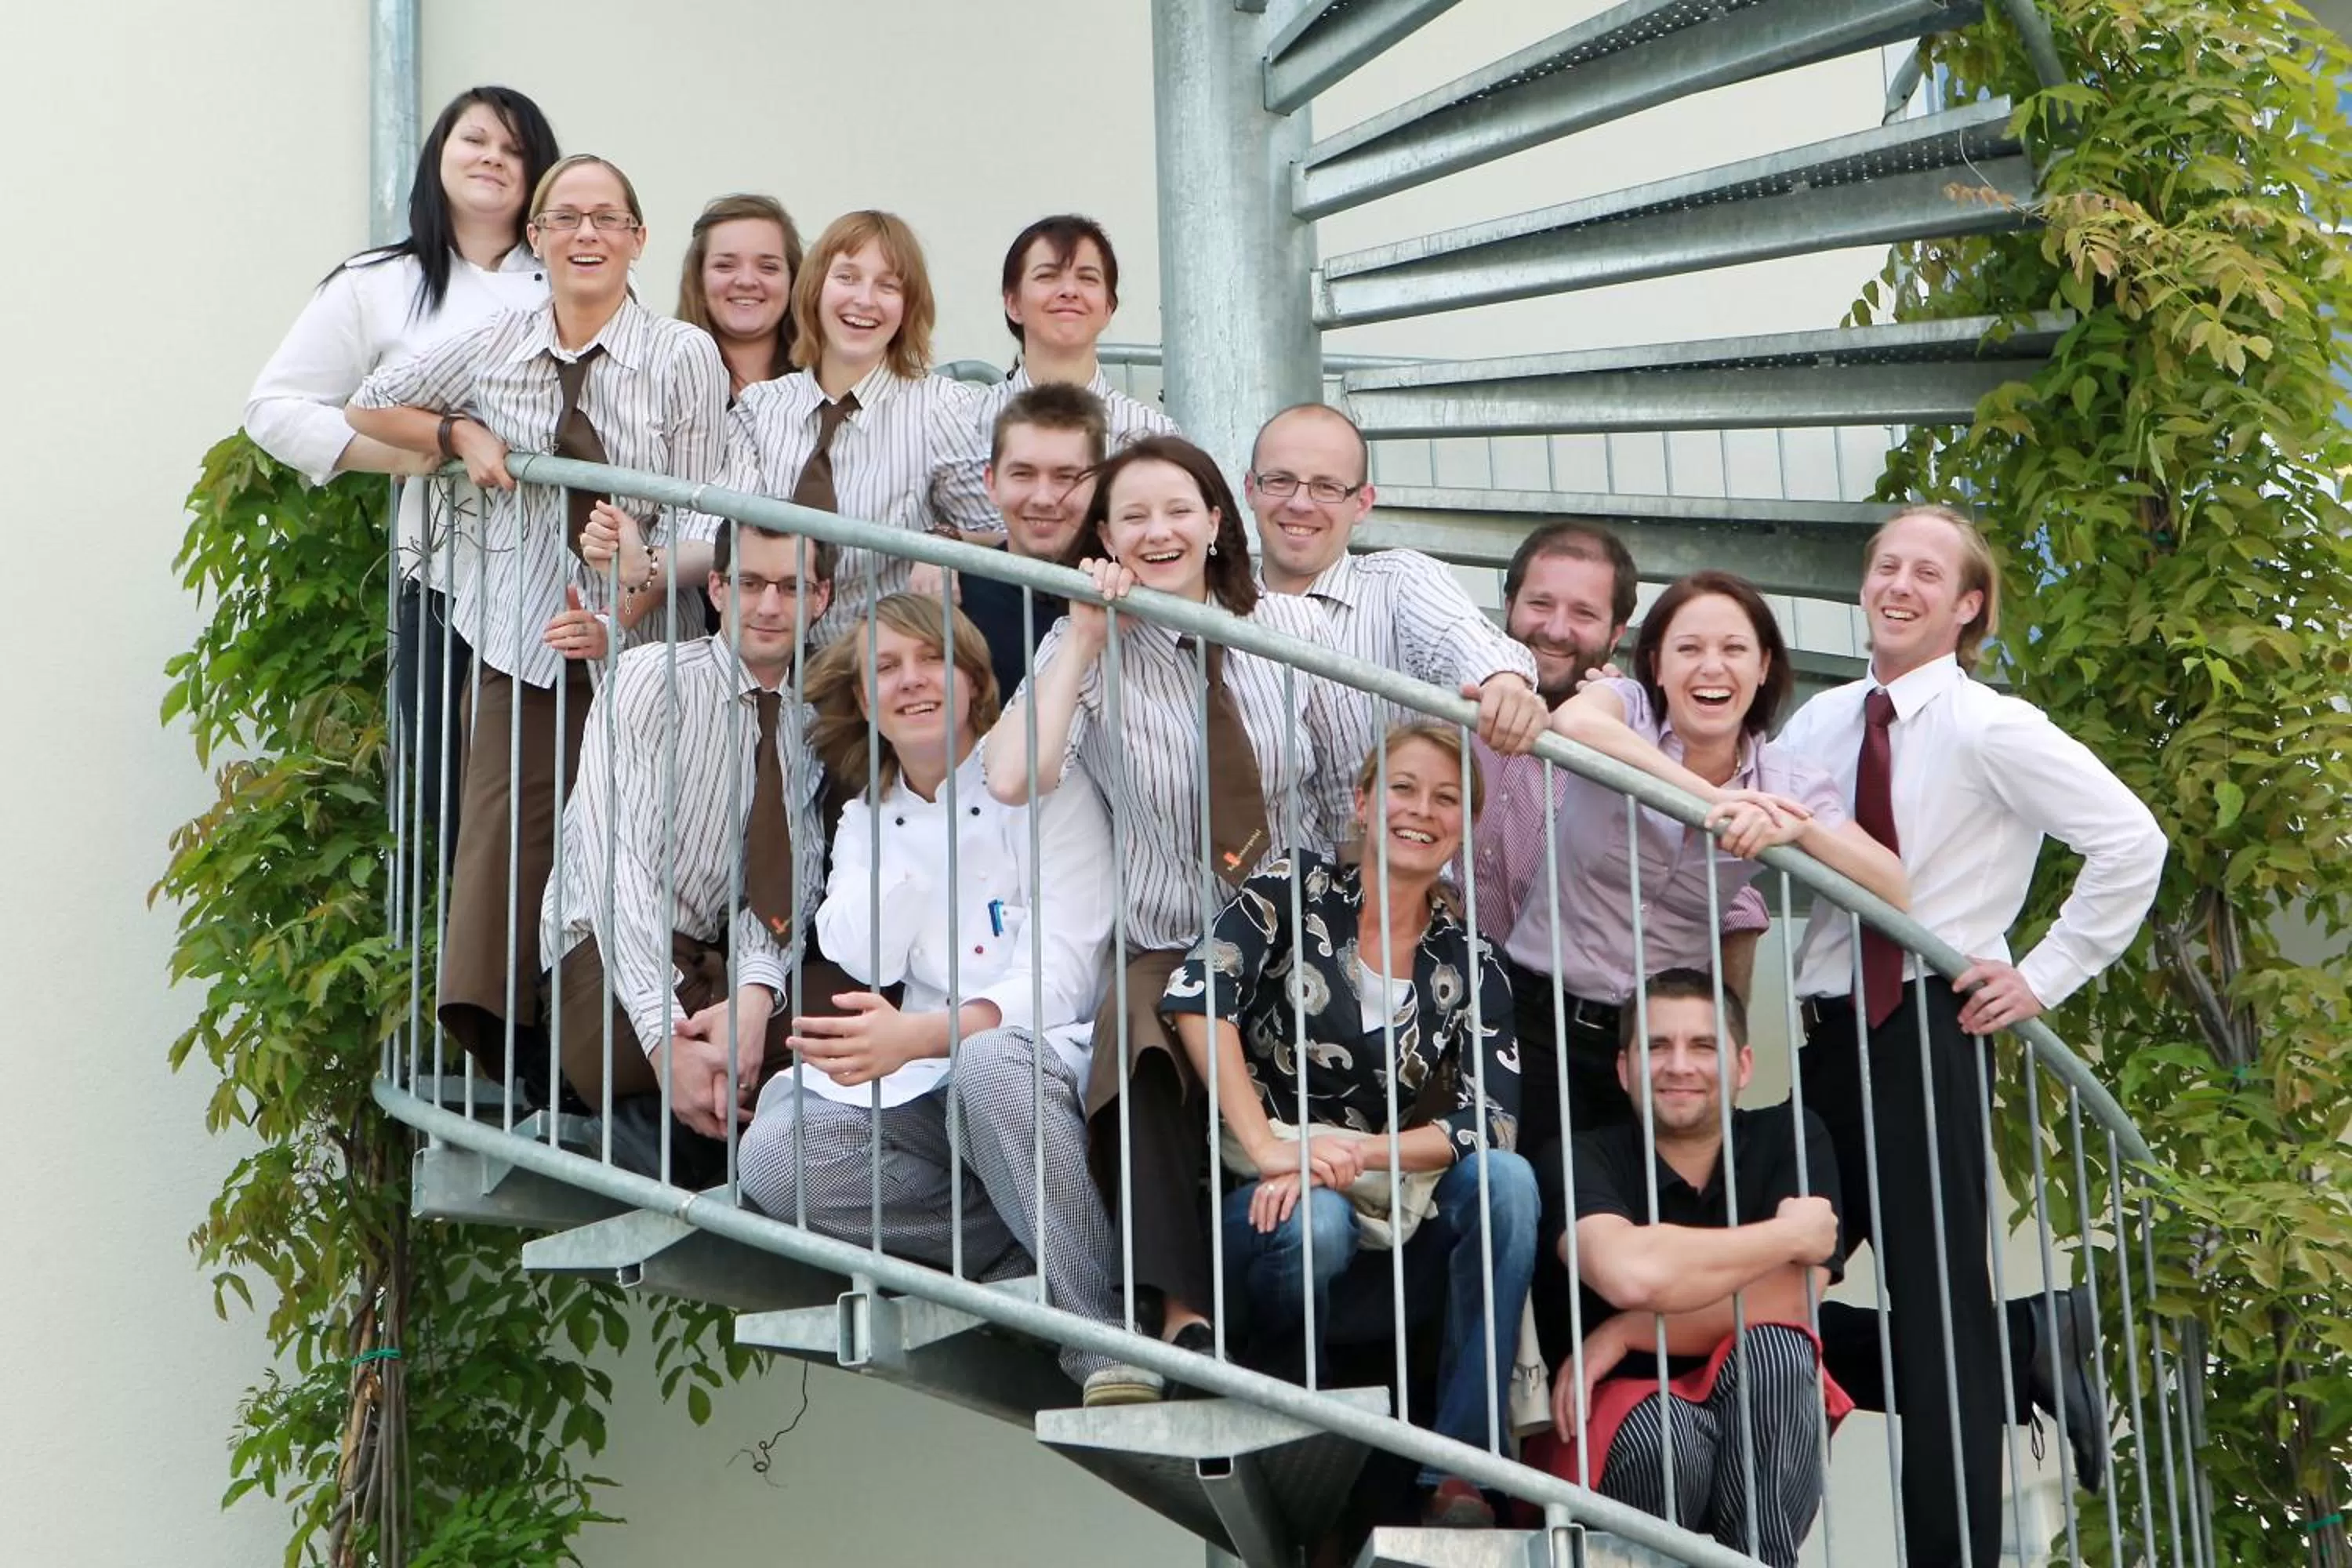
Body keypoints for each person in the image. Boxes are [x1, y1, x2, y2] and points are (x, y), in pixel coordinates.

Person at [1777, 503, 2167, 1565]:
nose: (1898, 584)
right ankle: (2025, 1342)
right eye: (1885, 565)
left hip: (1923, 1031)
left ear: (1968, 606)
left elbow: (2132, 841)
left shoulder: (1992, 726)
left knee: (1931, 1309)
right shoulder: (1817, 725)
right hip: (1827, 1036)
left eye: (1926, 573)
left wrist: (2041, 976)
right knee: (1755, 1283)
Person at [348, 153, 731, 1081]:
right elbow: (370, 405)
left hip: (643, 646)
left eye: (607, 219)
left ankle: (614, 1060)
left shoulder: (682, 354)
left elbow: (710, 505)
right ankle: (510, 1061)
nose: (586, 235)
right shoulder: (498, 340)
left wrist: (636, 569)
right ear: (536, 239)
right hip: (519, 631)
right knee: (512, 846)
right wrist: (461, 433)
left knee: (627, 851)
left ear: (639, 239)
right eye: (565, 219)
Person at [983, 434, 1355, 1369]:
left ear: (1217, 521)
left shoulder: (1293, 631)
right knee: (1137, 1036)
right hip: (1173, 941)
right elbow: (1012, 774)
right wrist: (1081, 636)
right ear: (1103, 536)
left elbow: (1353, 790)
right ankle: (1178, 1308)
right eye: (1133, 516)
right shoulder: (1093, 655)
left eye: (1179, 509)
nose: (1159, 530)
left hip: (1292, 936)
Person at [738, 593, 1153, 1403]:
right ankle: (1025, 1243)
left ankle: (1100, 1337)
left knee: (989, 1062)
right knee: (773, 1156)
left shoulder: (1048, 783)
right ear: (863, 701)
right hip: (928, 1082)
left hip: (1043, 1062)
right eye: (885, 670)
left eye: (931, 660)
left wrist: (923, 1035)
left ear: (974, 680)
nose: (912, 681)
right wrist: (911, 819)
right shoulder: (865, 816)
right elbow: (857, 946)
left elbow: (1065, 971)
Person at [1163, 721, 1534, 1528]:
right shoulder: (1292, 888)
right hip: (1262, 1216)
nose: (1421, 809)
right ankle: (1299, 1417)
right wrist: (1270, 1149)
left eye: (1446, 797)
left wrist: (1348, 1152)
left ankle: (1461, 1468)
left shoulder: (1470, 957)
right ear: (1365, 801)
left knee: (1509, 1181)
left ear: (1464, 824)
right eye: (1403, 787)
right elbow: (1198, 998)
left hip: (1380, 1216)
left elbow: (1491, 1119)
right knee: (1315, 1219)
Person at [245, 85, 559, 851]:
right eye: (475, 140)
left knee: (560, 813)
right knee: (453, 809)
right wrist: (409, 450)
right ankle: (480, 971)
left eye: (514, 149)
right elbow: (275, 406)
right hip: (444, 582)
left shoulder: (574, 280)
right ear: (438, 156)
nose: (492, 158)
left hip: (564, 585)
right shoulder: (378, 282)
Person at [538, 523, 846, 1184]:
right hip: (604, 954)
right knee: (724, 1079)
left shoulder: (809, 724)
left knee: (826, 1046)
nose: (769, 606)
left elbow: (790, 876)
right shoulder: (653, 679)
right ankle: (678, 1126)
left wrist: (757, 996)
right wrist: (662, 1039)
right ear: (716, 588)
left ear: (821, 598)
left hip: (712, 964)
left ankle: (696, 1141)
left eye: (792, 588)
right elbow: (618, 870)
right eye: (751, 583)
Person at [1526, 969, 1848, 1568]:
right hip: (1624, 1431)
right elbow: (1628, 1275)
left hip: (1760, 1418)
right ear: (1623, 1069)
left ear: (1743, 1066)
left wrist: (1628, 1330)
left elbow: (1794, 1301)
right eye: (1656, 1047)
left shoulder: (1791, 1136)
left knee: (1779, 1350)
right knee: (1672, 1436)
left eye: (1702, 1047)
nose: (1679, 1066)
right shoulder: (1578, 1156)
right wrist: (1784, 1236)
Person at [1470, 528, 1770, 1161]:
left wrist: (1718, 1055)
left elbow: (1736, 910)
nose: (1555, 629)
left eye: (1583, 614)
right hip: (1462, 1029)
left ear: (1617, 634)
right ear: (1507, 606)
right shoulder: (1461, 716)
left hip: (1586, 1042)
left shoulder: (1630, 745)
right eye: (1539, 604)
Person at [720, 209, 1001, 648]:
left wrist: (944, 544)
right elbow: (717, 538)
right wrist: (641, 571)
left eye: (888, 285)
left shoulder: (946, 410)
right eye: (847, 277)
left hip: (878, 675)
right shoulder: (761, 408)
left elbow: (1008, 534)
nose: (865, 300)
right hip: (771, 667)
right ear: (815, 289)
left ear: (909, 307)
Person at [1246, 403, 1548, 766]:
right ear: (1250, 489)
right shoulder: (1217, 612)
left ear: (1362, 503)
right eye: (1280, 480)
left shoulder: (1400, 583)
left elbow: (1459, 634)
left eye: (1327, 487)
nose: (1299, 503)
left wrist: (1503, 681)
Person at [969, 214, 1175, 448]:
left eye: (1087, 278)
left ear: (1108, 307)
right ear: (1013, 304)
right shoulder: (965, 427)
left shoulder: (1151, 436)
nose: (1069, 291)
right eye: (1047, 276)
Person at [961, 383, 1105, 702]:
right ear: (991, 482)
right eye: (1023, 474)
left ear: (1100, 485)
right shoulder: (956, 599)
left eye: (1066, 477)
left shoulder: (1130, 592)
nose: (1042, 498)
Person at [673, 193, 804, 400]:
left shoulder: (824, 388)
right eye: (725, 266)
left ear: (794, 279)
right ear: (699, 278)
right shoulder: (661, 383)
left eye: (768, 267)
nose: (746, 281)